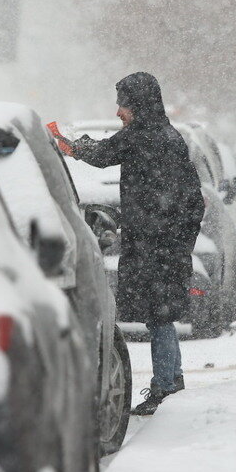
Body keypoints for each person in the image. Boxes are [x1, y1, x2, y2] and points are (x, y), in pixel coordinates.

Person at [68, 72, 204, 416]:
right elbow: (192, 200)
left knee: (158, 316)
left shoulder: (142, 136)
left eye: (122, 104)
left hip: (154, 244)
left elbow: (101, 154)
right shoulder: (167, 136)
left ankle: (166, 387)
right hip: (165, 242)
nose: (118, 112)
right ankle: (171, 380)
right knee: (161, 316)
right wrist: (179, 237)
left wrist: (72, 145)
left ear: (137, 105)